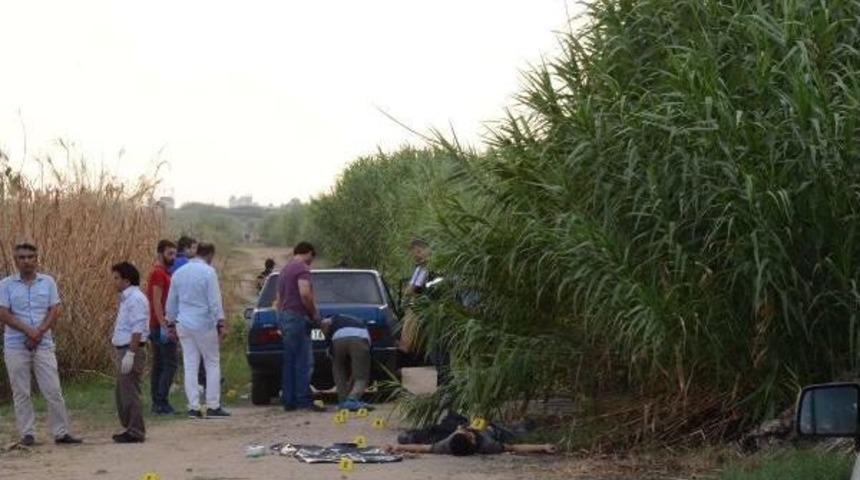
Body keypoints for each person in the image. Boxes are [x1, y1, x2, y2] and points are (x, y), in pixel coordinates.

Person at [0, 243, 82, 446]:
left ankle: (61, 432)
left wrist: (39, 332)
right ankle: (27, 433)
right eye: (22, 257)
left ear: (36, 259)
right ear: (15, 260)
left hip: (43, 343)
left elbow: (54, 309)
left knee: (53, 389)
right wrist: (29, 331)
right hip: (16, 344)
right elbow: (4, 313)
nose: (26, 261)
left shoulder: (48, 282)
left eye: (30, 257)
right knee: (21, 391)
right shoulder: (6, 285)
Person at [165, 242, 230, 419]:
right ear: (209, 255)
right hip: (204, 322)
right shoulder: (209, 272)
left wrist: (170, 323)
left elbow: (171, 302)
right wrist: (221, 323)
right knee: (212, 362)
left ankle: (193, 407)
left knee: (190, 365)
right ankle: (213, 405)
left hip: (183, 323)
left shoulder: (179, 273)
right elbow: (214, 301)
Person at [276, 242, 325, 412]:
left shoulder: (285, 269)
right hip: (297, 317)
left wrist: (280, 320)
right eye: (312, 257)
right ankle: (303, 400)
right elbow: (304, 293)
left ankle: (289, 401)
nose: (311, 261)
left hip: (286, 316)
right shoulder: (302, 268)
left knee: (289, 361)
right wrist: (314, 314)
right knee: (304, 361)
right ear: (309, 252)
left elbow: (279, 299)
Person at [110, 262, 149, 443]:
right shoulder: (128, 298)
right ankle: (130, 427)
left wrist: (131, 354)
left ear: (126, 280)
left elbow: (137, 328)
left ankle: (136, 430)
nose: (114, 281)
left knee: (130, 390)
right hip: (125, 348)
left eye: (116, 278)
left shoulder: (135, 299)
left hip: (131, 348)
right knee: (123, 391)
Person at [147, 239, 178, 415]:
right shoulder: (158, 273)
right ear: (160, 253)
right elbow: (156, 301)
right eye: (169, 253)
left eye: (174, 254)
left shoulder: (164, 272)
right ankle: (161, 400)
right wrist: (163, 324)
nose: (173, 257)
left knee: (159, 364)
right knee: (170, 364)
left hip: (158, 324)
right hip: (161, 325)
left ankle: (157, 402)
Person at [320, 314, 372, 411]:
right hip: (360, 338)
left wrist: (327, 343)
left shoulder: (334, 317)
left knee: (338, 368)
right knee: (361, 377)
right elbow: (357, 371)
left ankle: (343, 400)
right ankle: (352, 399)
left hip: (338, 338)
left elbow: (324, 323)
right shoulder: (358, 321)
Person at [390, 426, 556, 456]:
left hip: (476, 425)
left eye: (463, 432)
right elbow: (515, 447)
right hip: (493, 431)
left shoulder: (446, 445)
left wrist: (397, 447)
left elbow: (424, 448)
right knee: (515, 432)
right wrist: (542, 446)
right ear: (473, 442)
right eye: (468, 434)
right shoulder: (489, 446)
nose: (467, 432)